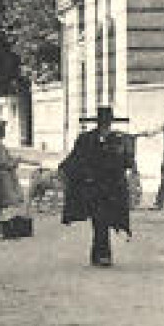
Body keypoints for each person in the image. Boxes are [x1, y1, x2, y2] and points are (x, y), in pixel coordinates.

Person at [60, 105, 134, 267]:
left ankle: (98, 254)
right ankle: (103, 254)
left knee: (106, 220)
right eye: (102, 123)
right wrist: (74, 173)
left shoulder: (119, 139)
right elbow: (75, 159)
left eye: (107, 123)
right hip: (93, 186)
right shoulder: (86, 139)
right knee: (99, 220)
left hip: (112, 188)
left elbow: (128, 163)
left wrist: (124, 154)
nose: (105, 127)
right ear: (98, 123)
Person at [0, 118, 25, 236]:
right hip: (1, 178)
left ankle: (0, 228)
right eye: (3, 129)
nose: (5, 132)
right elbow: (3, 163)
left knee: (0, 203)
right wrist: (15, 162)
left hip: (0, 177)